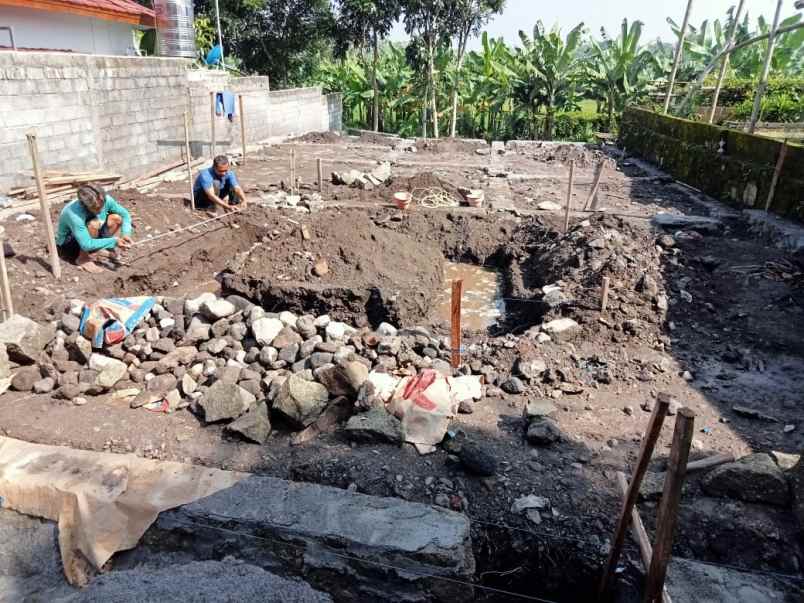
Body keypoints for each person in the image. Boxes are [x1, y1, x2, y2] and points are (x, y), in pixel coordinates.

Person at [55, 183, 133, 273]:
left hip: (89, 237)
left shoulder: (105, 200)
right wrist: (114, 241)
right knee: (94, 223)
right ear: (84, 205)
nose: (100, 210)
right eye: (96, 208)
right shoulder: (74, 214)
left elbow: (125, 215)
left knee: (116, 218)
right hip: (69, 243)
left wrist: (126, 234)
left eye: (102, 205)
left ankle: (97, 248)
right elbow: (86, 244)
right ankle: (83, 258)